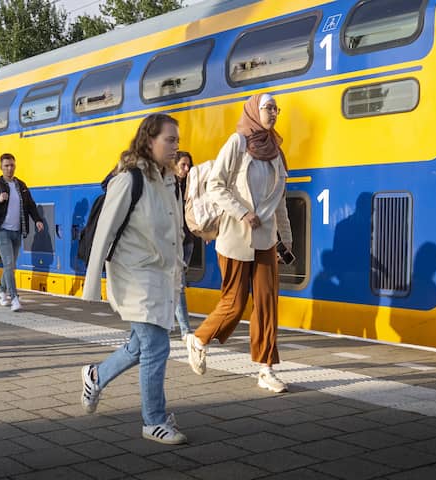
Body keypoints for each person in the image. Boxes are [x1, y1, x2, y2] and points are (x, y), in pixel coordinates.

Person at [80, 113, 187, 445]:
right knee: (156, 345)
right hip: (134, 275)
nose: (175, 147)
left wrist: (179, 273)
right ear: (149, 140)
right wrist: (90, 288)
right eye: (170, 140)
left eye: (177, 141)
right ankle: (152, 420)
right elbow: (104, 232)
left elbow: (175, 234)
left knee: (140, 346)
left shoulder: (169, 181)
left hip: (160, 275)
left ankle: (95, 375)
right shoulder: (129, 180)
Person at [185, 93, 293, 394]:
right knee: (234, 303)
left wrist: (286, 240)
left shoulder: (276, 151)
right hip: (235, 236)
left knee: (267, 304)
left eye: (275, 108)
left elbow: (279, 199)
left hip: (265, 239)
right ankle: (199, 338)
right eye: (267, 107)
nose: (272, 113)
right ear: (254, 110)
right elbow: (215, 185)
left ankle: (265, 369)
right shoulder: (237, 142)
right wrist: (243, 212)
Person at [0, 153, 45, 312]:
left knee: (11, 265)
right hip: (1, 230)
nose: (9, 168)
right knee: (8, 263)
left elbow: (30, 205)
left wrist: (37, 220)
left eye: (12, 165)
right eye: (6, 166)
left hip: (17, 230)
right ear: (1, 167)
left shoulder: (21, 186)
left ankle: (1, 292)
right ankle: (14, 297)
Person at [174, 151, 195, 339]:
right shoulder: (168, 186)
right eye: (183, 165)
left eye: (189, 165)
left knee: (173, 285)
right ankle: (185, 330)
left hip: (188, 241)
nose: (187, 169)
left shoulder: (191, 185)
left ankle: (163, 323)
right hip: (174, 243)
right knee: (178, 285)